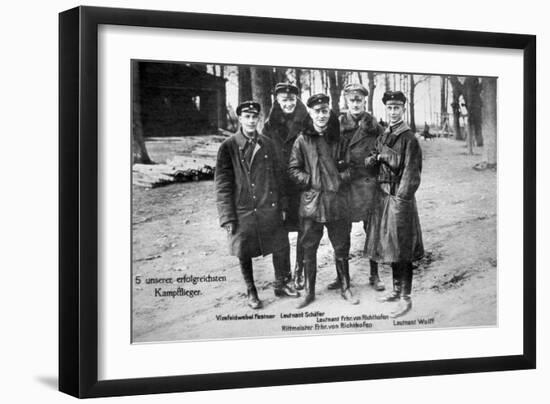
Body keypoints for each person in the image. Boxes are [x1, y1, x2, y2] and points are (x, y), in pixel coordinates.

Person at [215, 101, 300, 310]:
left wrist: (283, 205)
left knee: (281, 245)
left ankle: (282, 282)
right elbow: (223, 184)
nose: (251, 121)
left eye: (255, 117)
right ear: (240, 119)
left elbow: (279, 176)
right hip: (243, 209)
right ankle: (251, 290)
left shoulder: (268, 144)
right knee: (244, 250)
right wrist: (227, 216)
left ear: (259, 119)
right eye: (247, 116)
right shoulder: (228, 146)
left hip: (268, 206)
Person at [288, 93, 358, 309]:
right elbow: (292, 169)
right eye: (317, 111)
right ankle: (309, 292)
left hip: (337, 202)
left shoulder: (339, 138)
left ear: (330, 112)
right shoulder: (302, 140)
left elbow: (351, 167)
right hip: (312, 204)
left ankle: (345, 287)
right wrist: (310, 180)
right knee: (308, 248)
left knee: (341, 246)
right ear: (310, 113)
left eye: (324, 111)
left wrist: (338, 179)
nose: (321, 115)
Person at [364, 91, 424, 318]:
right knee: (390, 246)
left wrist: (401, 198)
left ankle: (406, 297)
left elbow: (411, 174)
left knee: (403, 249)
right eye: (389, 108)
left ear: (403, 109)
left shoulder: (409, 138)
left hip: (399, 199)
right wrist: (377, 158)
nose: (392, 112)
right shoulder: (383, 135)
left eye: (397, 108)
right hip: (382, 197)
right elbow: (369, 162)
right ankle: (396, 290)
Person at [326, 83, 386, 292]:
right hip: (344, 187)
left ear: (364, 102)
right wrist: (339, 174)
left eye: (359, 100)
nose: (356, 104)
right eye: (352, 100)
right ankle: (342, 277)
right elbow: (328, 155)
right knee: (341, 233)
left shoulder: (374, 126)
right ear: (346, 101)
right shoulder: (336, 124)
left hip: (368, 186)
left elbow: (383, 154)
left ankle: (374, 274)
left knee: (373, 232)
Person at [263, 83, 309, 290]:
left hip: (301, 185)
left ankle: (301, 271)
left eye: (291, 100)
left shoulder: (307, 121)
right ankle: (282, 276)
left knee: (304, 230)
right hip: (279, 186)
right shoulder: (269, 125)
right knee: (278, 233)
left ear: (296, 99)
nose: (288, 103)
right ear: (277, 101)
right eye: (284, 100)